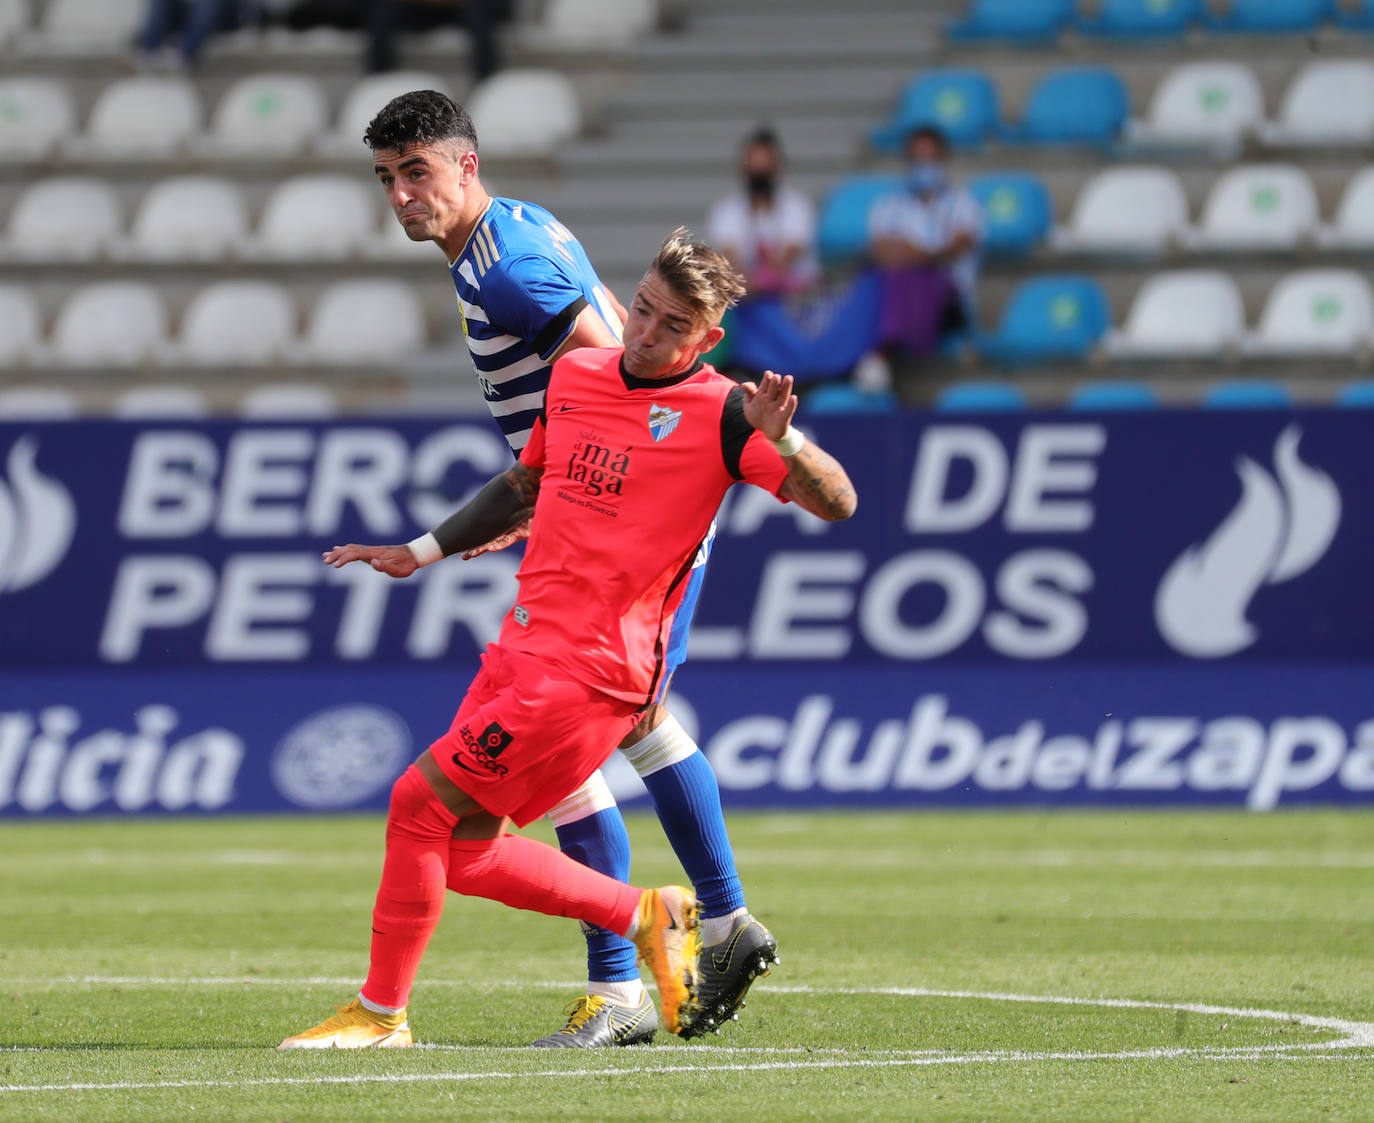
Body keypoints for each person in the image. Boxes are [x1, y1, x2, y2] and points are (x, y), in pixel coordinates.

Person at [280, 229, 857, 1049]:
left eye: (672, 326)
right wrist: (420, 550)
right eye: (644, 310)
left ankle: (381, 1014)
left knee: (416, 806)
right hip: (521, 645)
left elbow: (839, 502)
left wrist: (787, 437)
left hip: (592, 672)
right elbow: (526, 483)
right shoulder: (579, 373)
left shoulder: (726, 414)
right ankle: (646, 913)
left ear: (708, 340)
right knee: (466, 848)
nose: (647, 333)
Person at [357, 89, 779, 1047]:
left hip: (620, 516)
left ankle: (645, 970)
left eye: (416, 173)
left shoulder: (507, 274)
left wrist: (574, 490)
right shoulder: (510, 233)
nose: (401, 197)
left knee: (584, 738)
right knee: (619, 733)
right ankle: (702, 929)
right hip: (587, 506)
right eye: (387, 180)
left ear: (466, 164)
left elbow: (618, 376)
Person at [853, 124, 983, 389]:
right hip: (900, 292)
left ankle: (879, 353)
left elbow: (959, 245)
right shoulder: (889, 206)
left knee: (916, 277)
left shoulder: (965, 204)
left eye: (930, 159)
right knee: (878, 278)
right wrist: (919, 255)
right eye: (918, 159)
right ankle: (880, 349)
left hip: (949, 305)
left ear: (943, 160)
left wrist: (916, 254)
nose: (924, 166)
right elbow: (879, 250)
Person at [706, 127, 819, 299]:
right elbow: (730, 259)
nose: (760, 172)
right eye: (755, 165)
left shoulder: (798, 207)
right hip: (748, 302)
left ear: (777, 166)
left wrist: (762, 281)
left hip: (792, 302)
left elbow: (789, 256)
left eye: (765, 165)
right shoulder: (726, 211)